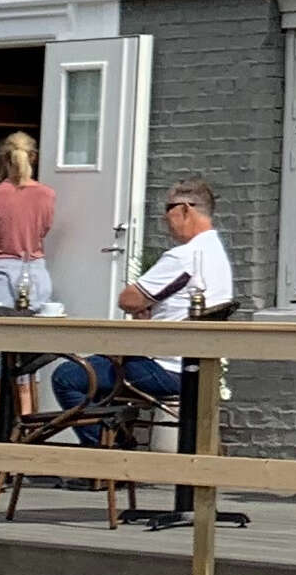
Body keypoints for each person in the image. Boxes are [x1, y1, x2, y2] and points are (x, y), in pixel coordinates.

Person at [49, 179, 234, 440]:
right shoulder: (217, 254)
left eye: (168, 209)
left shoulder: (185, 256)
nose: (164, 218)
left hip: (166, 368)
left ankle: (105, 454)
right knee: (102, 370)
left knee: (68, 376)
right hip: (200, 366)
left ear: (185, 209)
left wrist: (143, 306)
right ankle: (116, 443)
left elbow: (128, 299)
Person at [0, 130, 59, 315]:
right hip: (34, 267)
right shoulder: (47, 194)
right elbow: (44, 228)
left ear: (5, 159)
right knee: (36, 325)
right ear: (33, 157)